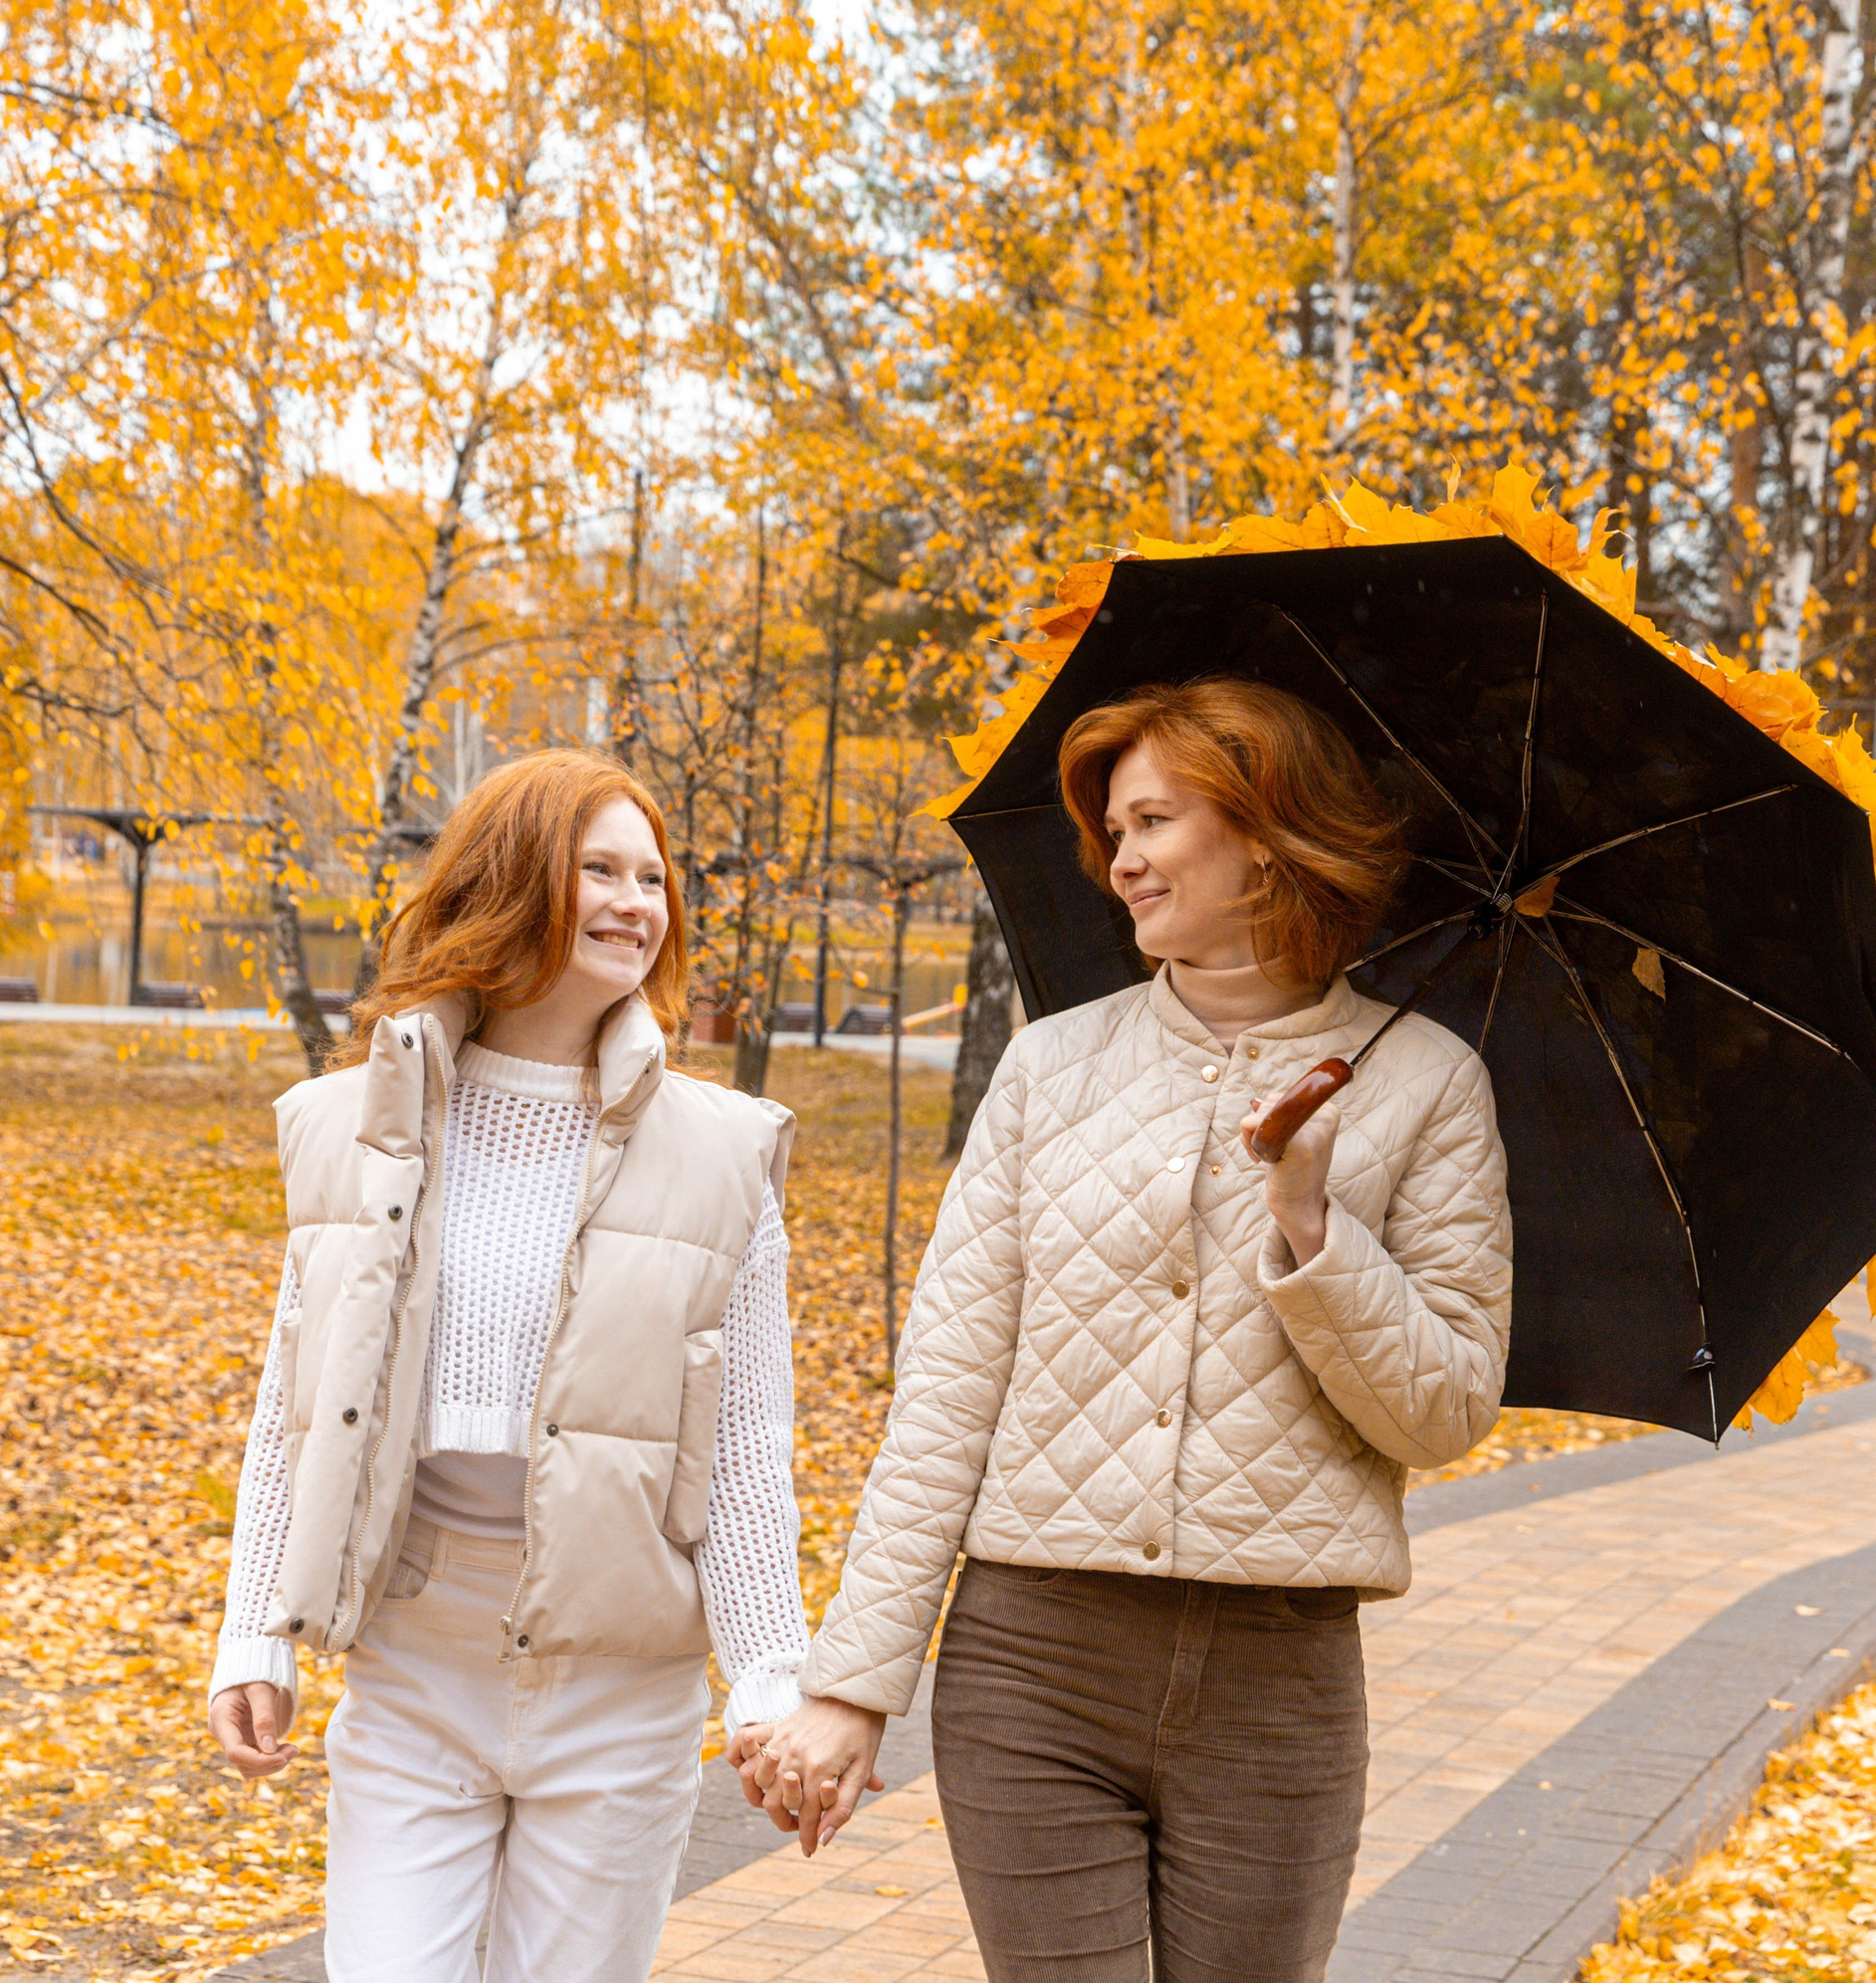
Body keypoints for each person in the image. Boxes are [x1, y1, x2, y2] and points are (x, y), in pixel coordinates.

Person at [736, 676, 1514, 1982]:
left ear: (1263, 831)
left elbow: (1443, 1410)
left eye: (1153, 822)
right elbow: (948, 1390)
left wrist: (1313, 1225)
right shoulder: (1051, 1066)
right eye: (1113, 833)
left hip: (1278, 1685)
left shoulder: (1427, 1082)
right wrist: (853, 1684)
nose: (1123, 862)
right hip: (1032, 1668)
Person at [206, 749, 810, 1983]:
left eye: (652, 877)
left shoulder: (724, 1152)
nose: (635, 903)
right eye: (600, 869)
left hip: (620, 1686)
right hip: (413, 1664)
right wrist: (254, 1630)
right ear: (510, 877)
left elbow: (745, 1446)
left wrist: (766, 1674)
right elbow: (296, 1404)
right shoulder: (353, 1122)